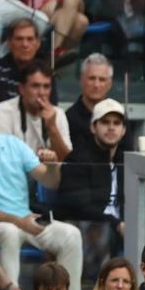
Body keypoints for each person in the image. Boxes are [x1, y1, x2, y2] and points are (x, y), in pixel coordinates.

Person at [0, 91, 85, 290]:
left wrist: (52, 165)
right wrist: (18, 221)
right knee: (9, 232)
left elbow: (50, 182)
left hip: (28, 219)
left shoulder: (13, 144)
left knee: (71, 235)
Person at [54, 97, 127, 275]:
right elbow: (78, 205)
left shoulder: (127, 161)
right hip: (88, 225)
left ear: (124, 130)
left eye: (116, 123)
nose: (111, 127)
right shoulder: (78, 159)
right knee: (103, 233)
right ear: (93, 127)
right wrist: (116, 223)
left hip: (121, 227)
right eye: (105, 122)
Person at [0, 61, 73, 162]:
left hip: (48, 172)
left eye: (46, 86)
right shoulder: (3, 111)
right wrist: (36, 159)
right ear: (22, 89)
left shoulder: (58, 113)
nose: (41, 92)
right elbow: (3, 157)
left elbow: (67, 160)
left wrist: (52, 128)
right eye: (35, 86)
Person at [0, 19, 49, 105]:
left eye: (30, 39)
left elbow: (51, 106)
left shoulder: (46, 72)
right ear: (9, 43)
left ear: (38, 43)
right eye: (19, 39)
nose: (25, 44)